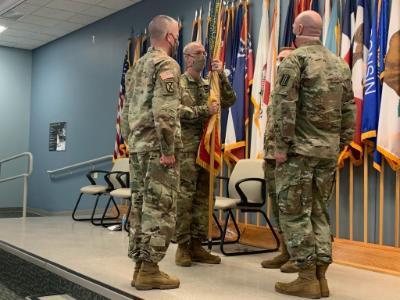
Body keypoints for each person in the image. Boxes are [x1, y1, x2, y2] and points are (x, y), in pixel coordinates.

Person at [270, 11, 355, 299]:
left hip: (299, 152)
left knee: (294, 213)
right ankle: (320, 277)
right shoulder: (339, 64)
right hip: (327, 152)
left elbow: (283, 106)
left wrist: (280, 146)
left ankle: (306, 275)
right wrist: (339, 143)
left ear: (299, 28)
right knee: (318, 211)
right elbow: (349, 109)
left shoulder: (295, 60)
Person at [121, 15, 182, 290]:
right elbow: (164, 110)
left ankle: (139, 266)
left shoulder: (137, 67)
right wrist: (168, 148)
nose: (177, 39)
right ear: (170, 37)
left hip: (137, 148)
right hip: (158, 150)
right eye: (177, 34)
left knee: (140, 207)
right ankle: (150, 269)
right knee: (160, 208)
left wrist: (130, 141)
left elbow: (124, 110)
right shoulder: (166, 64)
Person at [175, 41, 236, 267]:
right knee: (185, 197)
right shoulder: (178, 83)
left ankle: (198, 245)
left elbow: (229, 101)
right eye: (199, 53)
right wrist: (203, 111)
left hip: (207, 148)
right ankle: (183, 246)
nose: (204, 56)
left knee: (204, 197)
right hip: (186, 149)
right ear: (188, 58)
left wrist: (221, 77)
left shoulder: (208, 84)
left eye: (204, 52)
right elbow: (174, 111)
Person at [261, 47, 296, 273]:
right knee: (277, 206)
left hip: (289, 159)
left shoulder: (296, 86)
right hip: (272, 157)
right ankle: (284, 252)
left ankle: (296, 255)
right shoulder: (278, 89)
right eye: (279, 58)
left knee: (292, 207)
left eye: (285, 59)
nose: (281, 62)